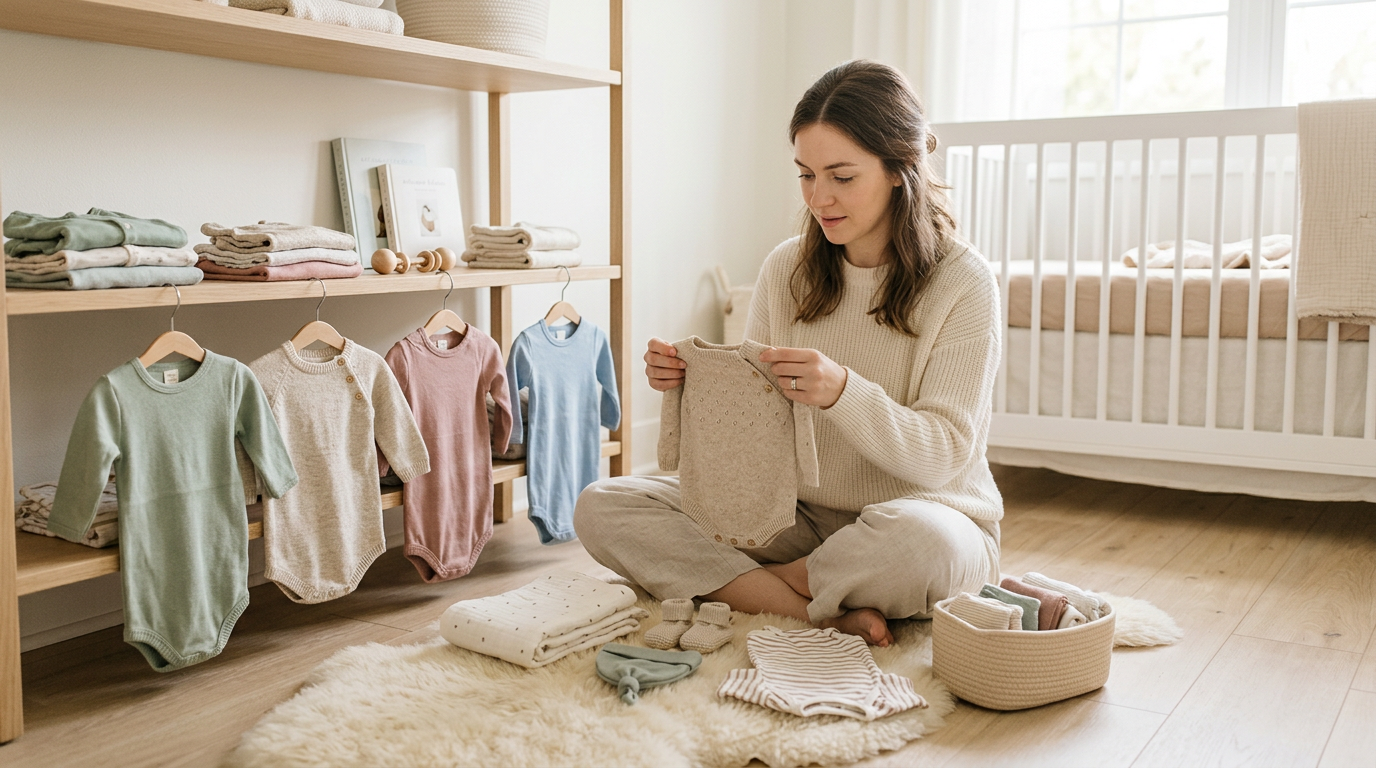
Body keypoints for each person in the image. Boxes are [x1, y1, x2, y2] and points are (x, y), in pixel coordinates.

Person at [574, 60, 1002, 647]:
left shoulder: (963, 282)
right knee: (603, 505)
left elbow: (944, 455)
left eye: (842, 177)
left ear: (901, 170)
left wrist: (842, 392)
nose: (818, 198)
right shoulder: (786, 270)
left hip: (924, 516)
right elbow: (758, 438)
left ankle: (755, 589)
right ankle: (816, 610)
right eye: (805, 175)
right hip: (793, 516)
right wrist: (693, 389)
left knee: (920, 545)